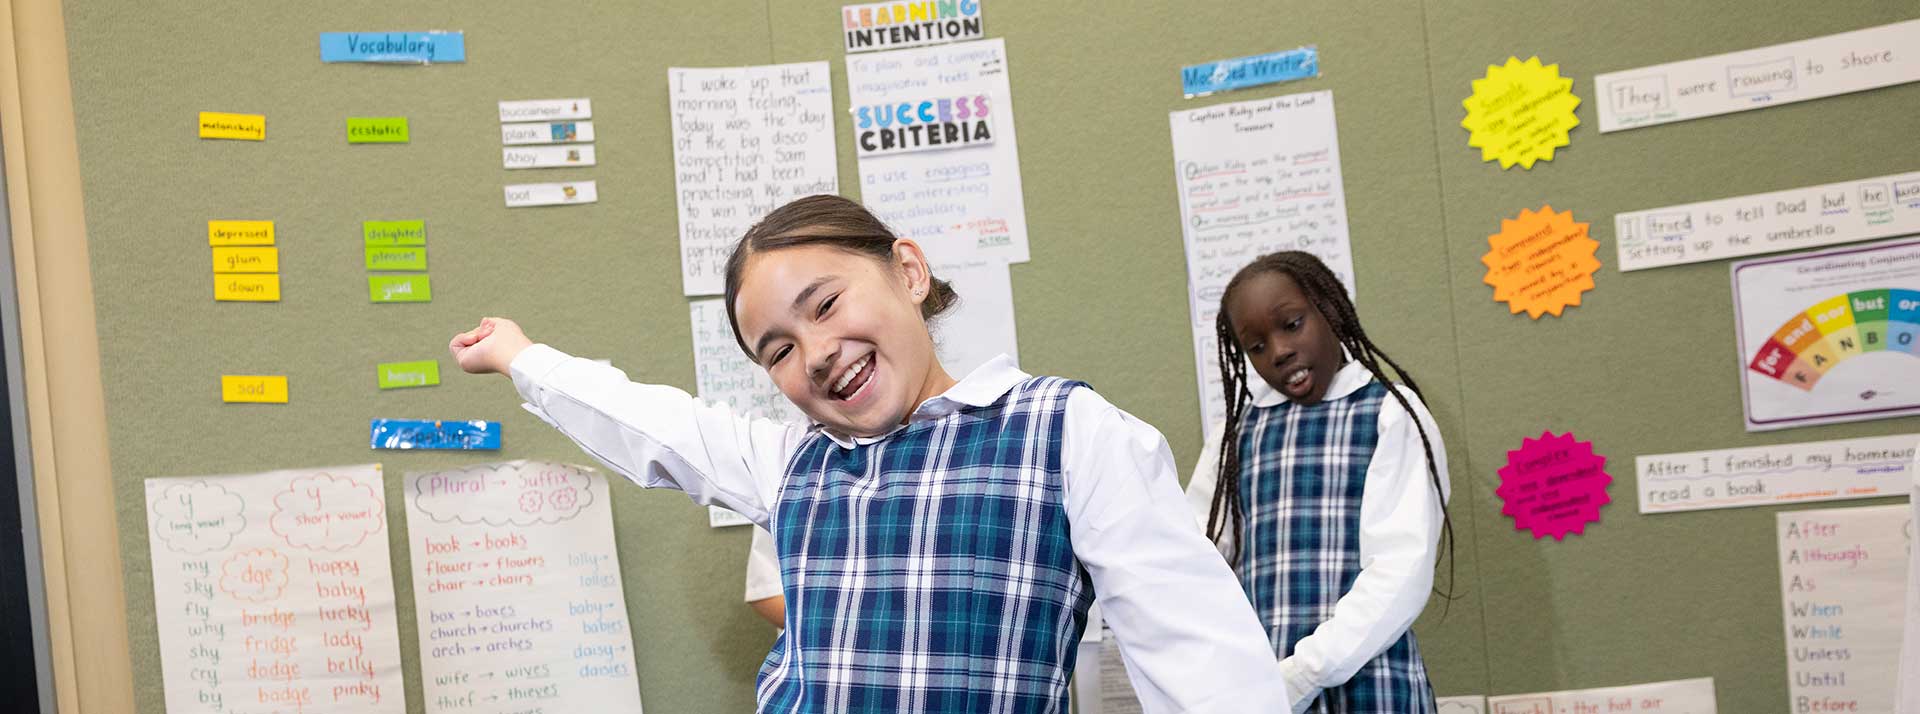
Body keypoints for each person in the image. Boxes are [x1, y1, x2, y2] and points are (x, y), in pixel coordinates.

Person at [449, 195, 1288, 713]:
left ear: (909, 271)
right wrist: (522, 356)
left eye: (825, 304)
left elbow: (1205, 665)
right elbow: (653, 424)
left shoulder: (1067, 435)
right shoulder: (795, 467)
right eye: (775, 351)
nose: (813, 353)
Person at [1186, 251, 1453, 714]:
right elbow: (1196, 563)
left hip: (1372, 687)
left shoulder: (1390, 414)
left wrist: (1303, 672)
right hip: (1268, 691)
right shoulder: (1236, 436)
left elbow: (1398, 572)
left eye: (1291, 324)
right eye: (1256, 346)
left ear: (1329, 309)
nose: (1279, 351)